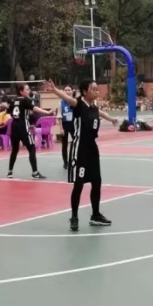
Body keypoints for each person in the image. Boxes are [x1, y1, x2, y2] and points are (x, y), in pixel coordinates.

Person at [46, 79, 118, 231]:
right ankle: (74, 216)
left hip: (92, 148)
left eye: (97, 89)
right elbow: (68, 98)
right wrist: (55, 90)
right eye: (93, 89)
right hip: (80, 149)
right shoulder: (79, 105)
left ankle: (95, 215)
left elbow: (100, 113)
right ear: (85, 92)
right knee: (79, 184)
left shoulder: (93, 107)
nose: (96, 91)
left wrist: (111, 119)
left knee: (97, 182)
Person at [7, 83, 54, 179]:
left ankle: (10, 172)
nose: (29, 91)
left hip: (14, 126)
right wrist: (47, 112)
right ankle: (35, 172)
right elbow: (34, 108)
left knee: (15, 149)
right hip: (23, 127)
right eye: (27, 89)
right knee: (32, 148)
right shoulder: (25, 100)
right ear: (21, 91)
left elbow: (9, 112)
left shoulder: (14, 100)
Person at [59, 85, 75, 169]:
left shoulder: (75, 101)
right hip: (65, 124)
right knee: (64, 144)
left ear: (72, 91)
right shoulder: (61, 102)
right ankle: (65, 162)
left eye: (69, 90)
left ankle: (74, 159)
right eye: (66, 90)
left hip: (73, 124)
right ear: (63, 91)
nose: (68, 92)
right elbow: (59, 116)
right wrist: (61, 128)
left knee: (75, 142)